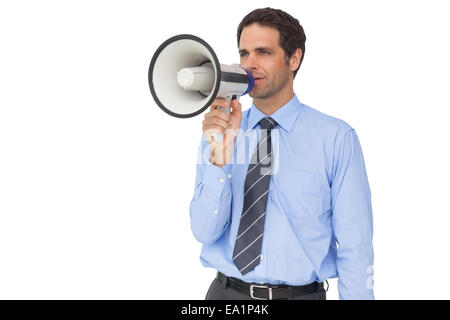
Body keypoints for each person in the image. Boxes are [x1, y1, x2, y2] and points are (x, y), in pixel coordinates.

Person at [189, 7, 374, 300]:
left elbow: (356, 245)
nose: (250, 65)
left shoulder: (336, 138)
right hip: (226, 296)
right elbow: (203, 231)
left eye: (263, 52)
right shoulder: (219, 134)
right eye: (244, 54)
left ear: (294, 58)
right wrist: (219, 158)